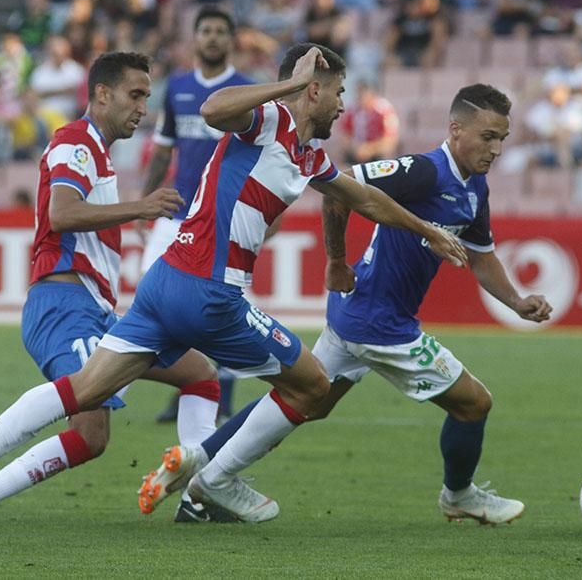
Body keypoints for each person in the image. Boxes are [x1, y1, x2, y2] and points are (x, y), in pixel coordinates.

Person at [0, 43, 470, 528]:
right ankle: (215, 479)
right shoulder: (270, 119)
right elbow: (212, 108)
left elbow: (365, 199)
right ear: (316, 89)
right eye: (339, 92)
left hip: (164, 286)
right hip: (212, 293)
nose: (344, 105)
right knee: (314, 386)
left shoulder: (309, 156)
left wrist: (427, 231)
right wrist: (294, 83)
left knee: (89, 390)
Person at [138, 84, 553, 525]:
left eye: (502, 139)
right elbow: (342, 188)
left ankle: (198, 464)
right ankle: (460, 495)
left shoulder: (475, 190)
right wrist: (336, 260)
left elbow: (481, 256)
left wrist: (517, 301)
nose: (497, 148)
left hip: (357, 315)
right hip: (380, 325)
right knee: (474, 404)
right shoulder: (425, 171)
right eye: (488, 136)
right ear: (455, 129)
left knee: (303, 401)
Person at [0, 52, 225, 529]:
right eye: (135, 94)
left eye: (147, 95)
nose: (144, 107)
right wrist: (139, 207)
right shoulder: (74, 143)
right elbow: (62, 213)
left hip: (94, 310)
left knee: (201, 375)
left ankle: (196, 497)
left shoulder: (96, 151)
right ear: (102, 93)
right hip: (63, 305)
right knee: (90, 430)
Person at [138, 6, 253, 431]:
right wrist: (145, 201)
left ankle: (220, 395)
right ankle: (185, 384)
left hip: (224, 218)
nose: (212, 38)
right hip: (175, 212)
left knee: (221, 306)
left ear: (231, 39)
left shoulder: (245, 90)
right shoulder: (178, 86)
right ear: (195, 37)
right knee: (154, 298)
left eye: (221, 31)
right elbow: (164, 148)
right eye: (205, 30)